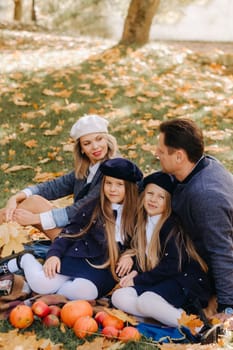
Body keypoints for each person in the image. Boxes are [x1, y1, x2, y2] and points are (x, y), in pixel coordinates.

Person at [0, 158, 143, 300]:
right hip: (79, 255)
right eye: (108, 183)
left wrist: (131, 256)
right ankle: (24, 259)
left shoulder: (137, 214)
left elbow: (143, 246)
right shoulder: (94, 206)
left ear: (129, 188)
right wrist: (54, 254)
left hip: (104, 270)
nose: (112, 189)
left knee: (85, 294)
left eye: (119, 185)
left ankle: (49, 293)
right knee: (41, 284)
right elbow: (70, 232)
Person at [111, 171, 213, 327]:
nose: (153, 200)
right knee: (119, 296)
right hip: (161, 280)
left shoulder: (171, 226)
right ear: (143, 195)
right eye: (150, 193)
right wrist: (134, 268)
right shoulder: (143, 223)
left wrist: (137, 279)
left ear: (169, 202)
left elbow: (172, 266)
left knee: (147, 300)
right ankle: (159, 315)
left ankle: (197, 327)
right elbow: (147, 255)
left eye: (161, 197)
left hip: (185, 281)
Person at [156, 118, 233, 318]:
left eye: (161, 152)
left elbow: (222, 250)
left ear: (180, 156)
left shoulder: (206, 196)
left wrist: (227, 306)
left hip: (219, 267)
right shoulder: (201, 164)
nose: (156, 155)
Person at [0, 114, 118, 240]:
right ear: (81, 149)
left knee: (30, 206)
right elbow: (53, 187)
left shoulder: (115, 170)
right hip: (79, 229)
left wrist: (35, 218)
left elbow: (82, 210)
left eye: (99, 139)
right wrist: (16, 197)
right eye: (87, 143)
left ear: (107, 139)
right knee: (30, 202)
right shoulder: (88, 169)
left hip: (96, 241)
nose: (95, 146)